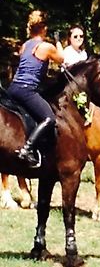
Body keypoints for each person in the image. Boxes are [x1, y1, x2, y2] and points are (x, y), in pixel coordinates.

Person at [7, 10, 64, 167]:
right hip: (27, 90)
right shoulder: (46, 46)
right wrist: (58, 41)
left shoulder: (25, 45)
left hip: (13, 88)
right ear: (44, 28)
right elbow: (62, 59)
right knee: (49, 118)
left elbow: (34, 69)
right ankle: (27, 148)